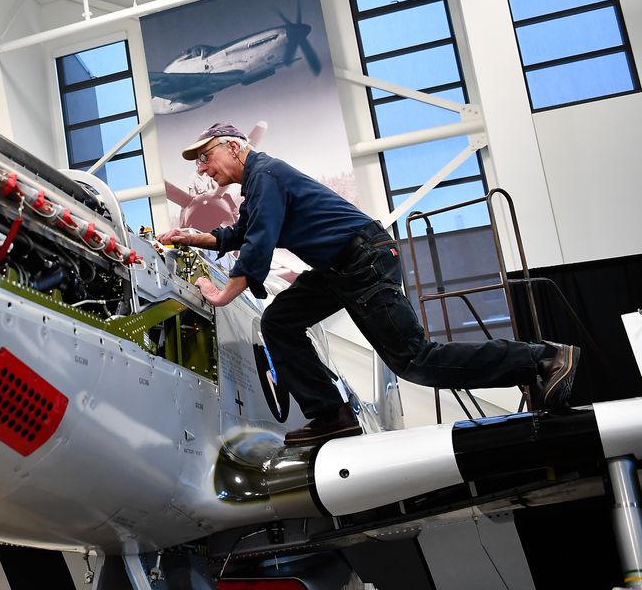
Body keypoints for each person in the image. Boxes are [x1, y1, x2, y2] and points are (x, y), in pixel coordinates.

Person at [158, 122, 580, 447]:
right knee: (280, 321)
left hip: (364, 260)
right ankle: (332, 416)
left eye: (205, 156)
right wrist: (191, 236)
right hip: (339, 267)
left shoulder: (265, 175)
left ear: (233, 146)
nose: (201, 167)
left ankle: (542, 360)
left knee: (414, 360)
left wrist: (224, 293)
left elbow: (259, 241)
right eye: (197, 163)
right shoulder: (257, 186)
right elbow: (239, 232)